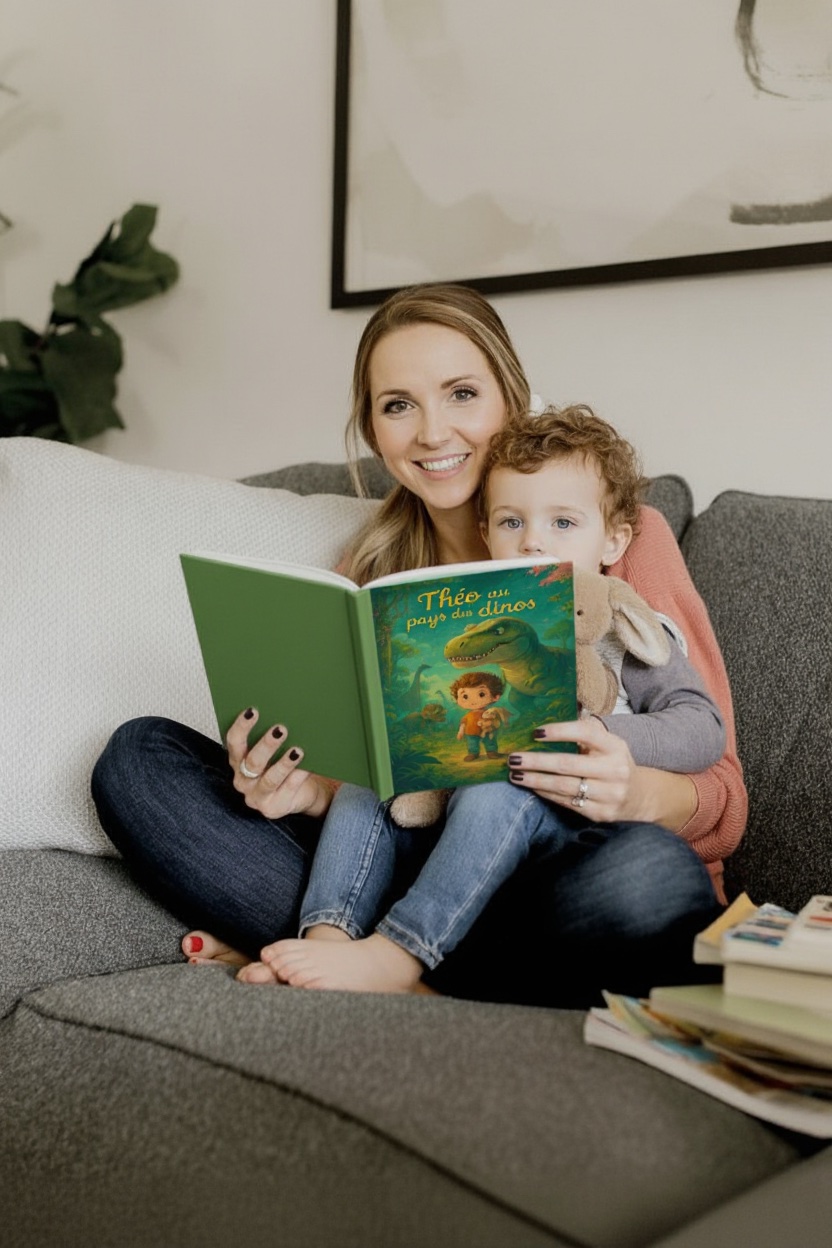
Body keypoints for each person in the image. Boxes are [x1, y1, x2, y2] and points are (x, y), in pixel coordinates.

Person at [91, 282, 746, 1007]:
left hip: (558, 864)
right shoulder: (372, 571)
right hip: (404, 855)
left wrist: (633, 785)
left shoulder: (613, 532)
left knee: (649, 881)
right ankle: (373, 956)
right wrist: (302, 790)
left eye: (461, 393)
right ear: (375, 431)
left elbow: (724, 791)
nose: (432, 432)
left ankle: (389, 962)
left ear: (510, 397)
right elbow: (368, 785)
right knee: (137, 760)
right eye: (398, 405)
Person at [256, 406, 727, 995]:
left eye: (562, 523)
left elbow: (702, 726)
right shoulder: (469, 623)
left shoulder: (623, 627)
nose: (532, 542)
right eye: (511, 523)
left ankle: (402, 954)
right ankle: (328, 936)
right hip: (441, 826)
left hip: (557, 832)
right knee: (373, 774)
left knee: (505, 789)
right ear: (485, 535)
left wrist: (607, 736)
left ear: (614, 539)